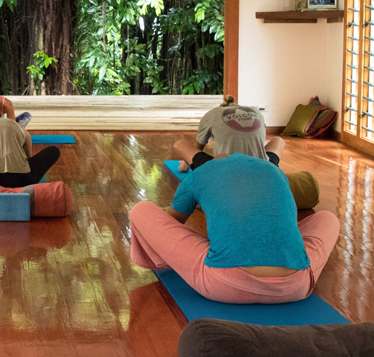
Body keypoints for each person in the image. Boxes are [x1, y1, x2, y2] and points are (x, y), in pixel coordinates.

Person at [129, 153, 340, 304]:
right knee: (328, 218)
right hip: (295, 286)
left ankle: (160, 263)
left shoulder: (199, 174)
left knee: (140, 210)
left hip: (224, 285)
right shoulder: (273, 171)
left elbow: (171, 224)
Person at [174, 95, 285, 172]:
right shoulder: (255, 111)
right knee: (278, 140)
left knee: (180, 144)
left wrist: (186, 164)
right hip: (264, 169)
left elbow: (198, 148)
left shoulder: (212, 114)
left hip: (225, 171)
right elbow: (259, 140)